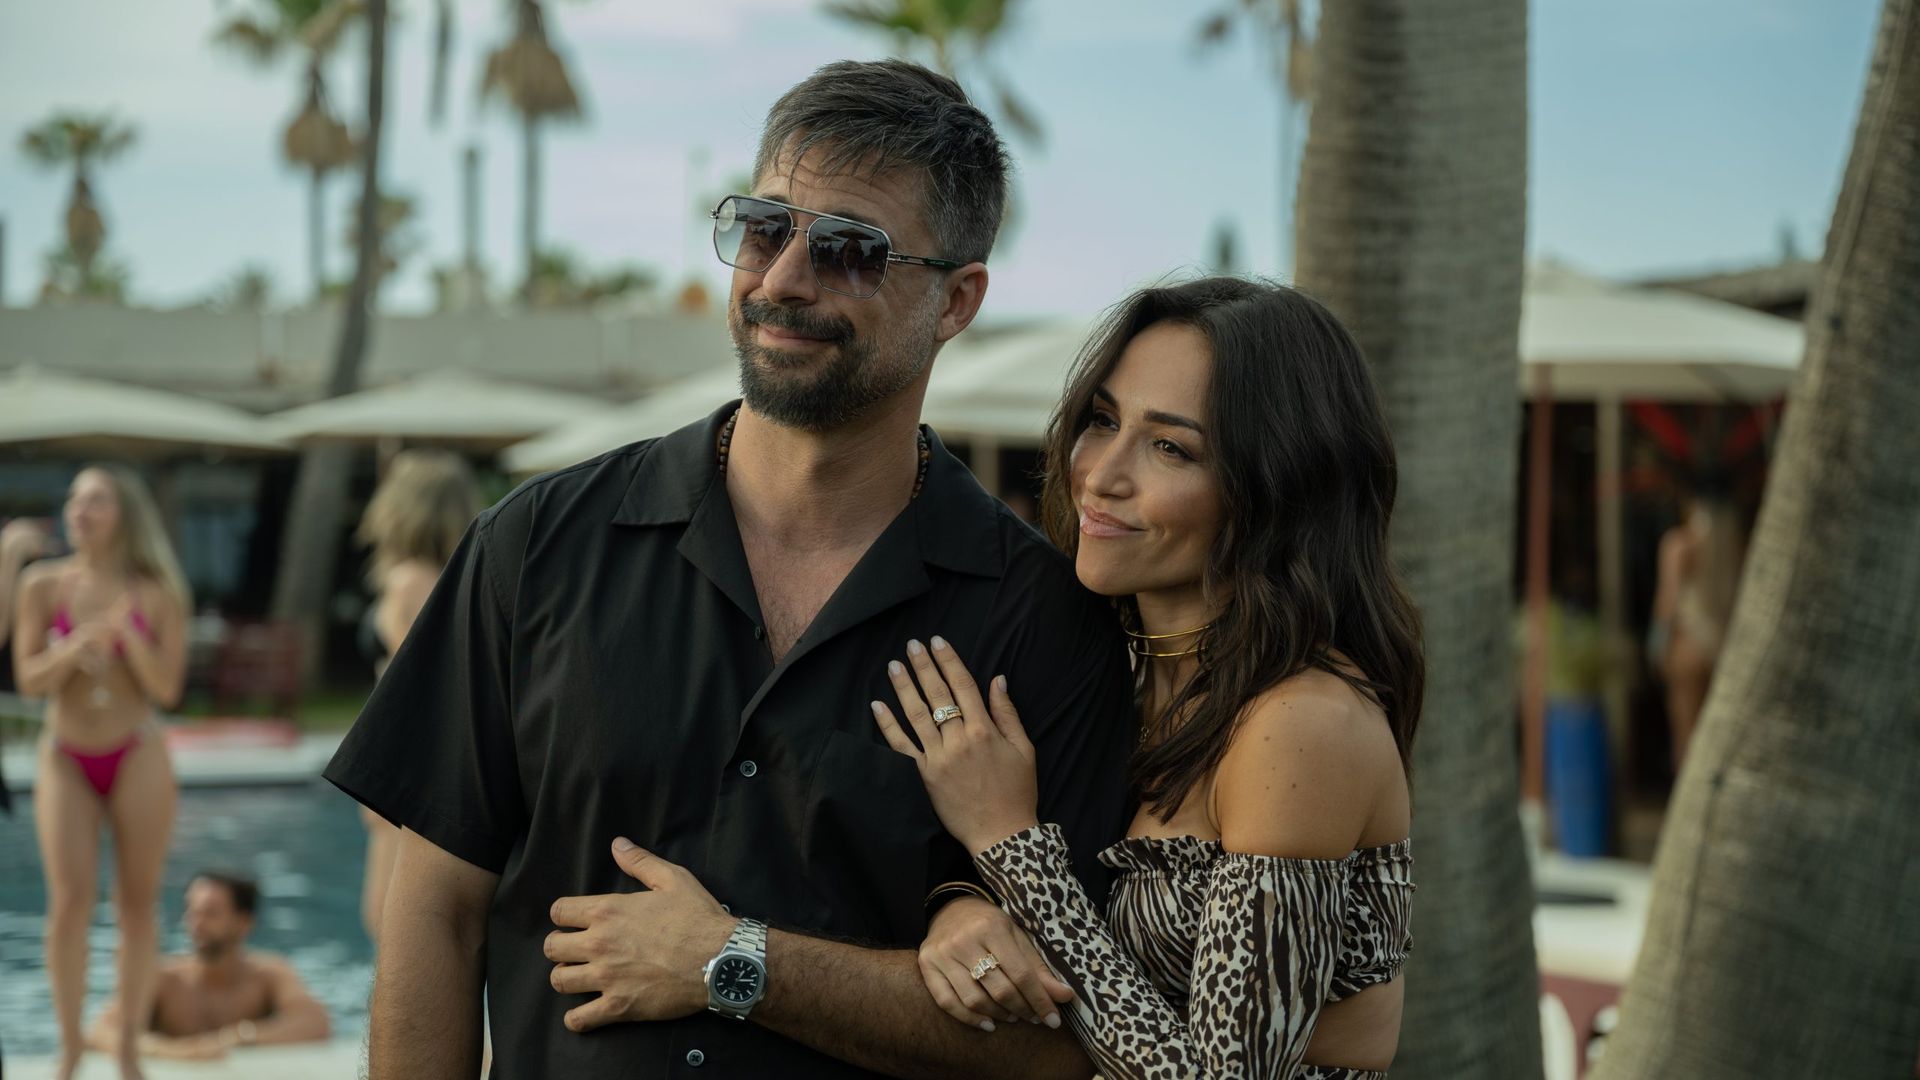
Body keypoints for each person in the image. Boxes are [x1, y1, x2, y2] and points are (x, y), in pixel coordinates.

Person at [324, 59, 1133, 1079]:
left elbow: (1062, 1047)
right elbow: (434, 919)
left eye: (849, 251)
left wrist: (735, 963)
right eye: (764, 230)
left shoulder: (1042, 622)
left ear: (957, 300)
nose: (785, 280)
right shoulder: (530, 550)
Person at [866, 279, 1424, 1078]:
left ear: (1278, 485)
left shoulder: (1301, 721)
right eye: (1102, 420)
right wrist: (961, 902)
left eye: (1171, 447)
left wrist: (1008, 843)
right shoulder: (1127, 675)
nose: (1100, 475)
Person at [13, 465, 190, 1080]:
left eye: (95, 500)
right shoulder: (41, 585)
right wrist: (71, 649)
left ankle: (128, 1054)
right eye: (73, 500)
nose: (78, 511)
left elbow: (168, 689)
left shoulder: (157, 592)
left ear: (125, 514)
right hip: (65, 752)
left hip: (136, 748)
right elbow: (27, 679)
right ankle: (68, 1050)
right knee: (69, 904)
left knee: (137, 906)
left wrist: (126, 641)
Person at [351, 449, 482, 942]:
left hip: (406, 755)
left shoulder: (410, 581)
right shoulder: (455, 578)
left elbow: (422, 684)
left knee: (390, 922)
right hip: (426, 755)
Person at [85, 871, 333, 1061]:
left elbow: (315, 1022)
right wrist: (171, 1051)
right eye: (192, 912)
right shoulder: (165, 980)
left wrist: (238, 1038)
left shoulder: (267, 975)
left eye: (210, 914)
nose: (196, 924)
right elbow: (99, 1031)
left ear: (243, 922)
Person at [1649, 482, 1745, 771]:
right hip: (1723, 644)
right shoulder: (1734, 543)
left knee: (1686, 734)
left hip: (1687, 643)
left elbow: (1669, 598)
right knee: (1716, 735)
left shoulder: (1680, 544)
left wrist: (1656, 642)